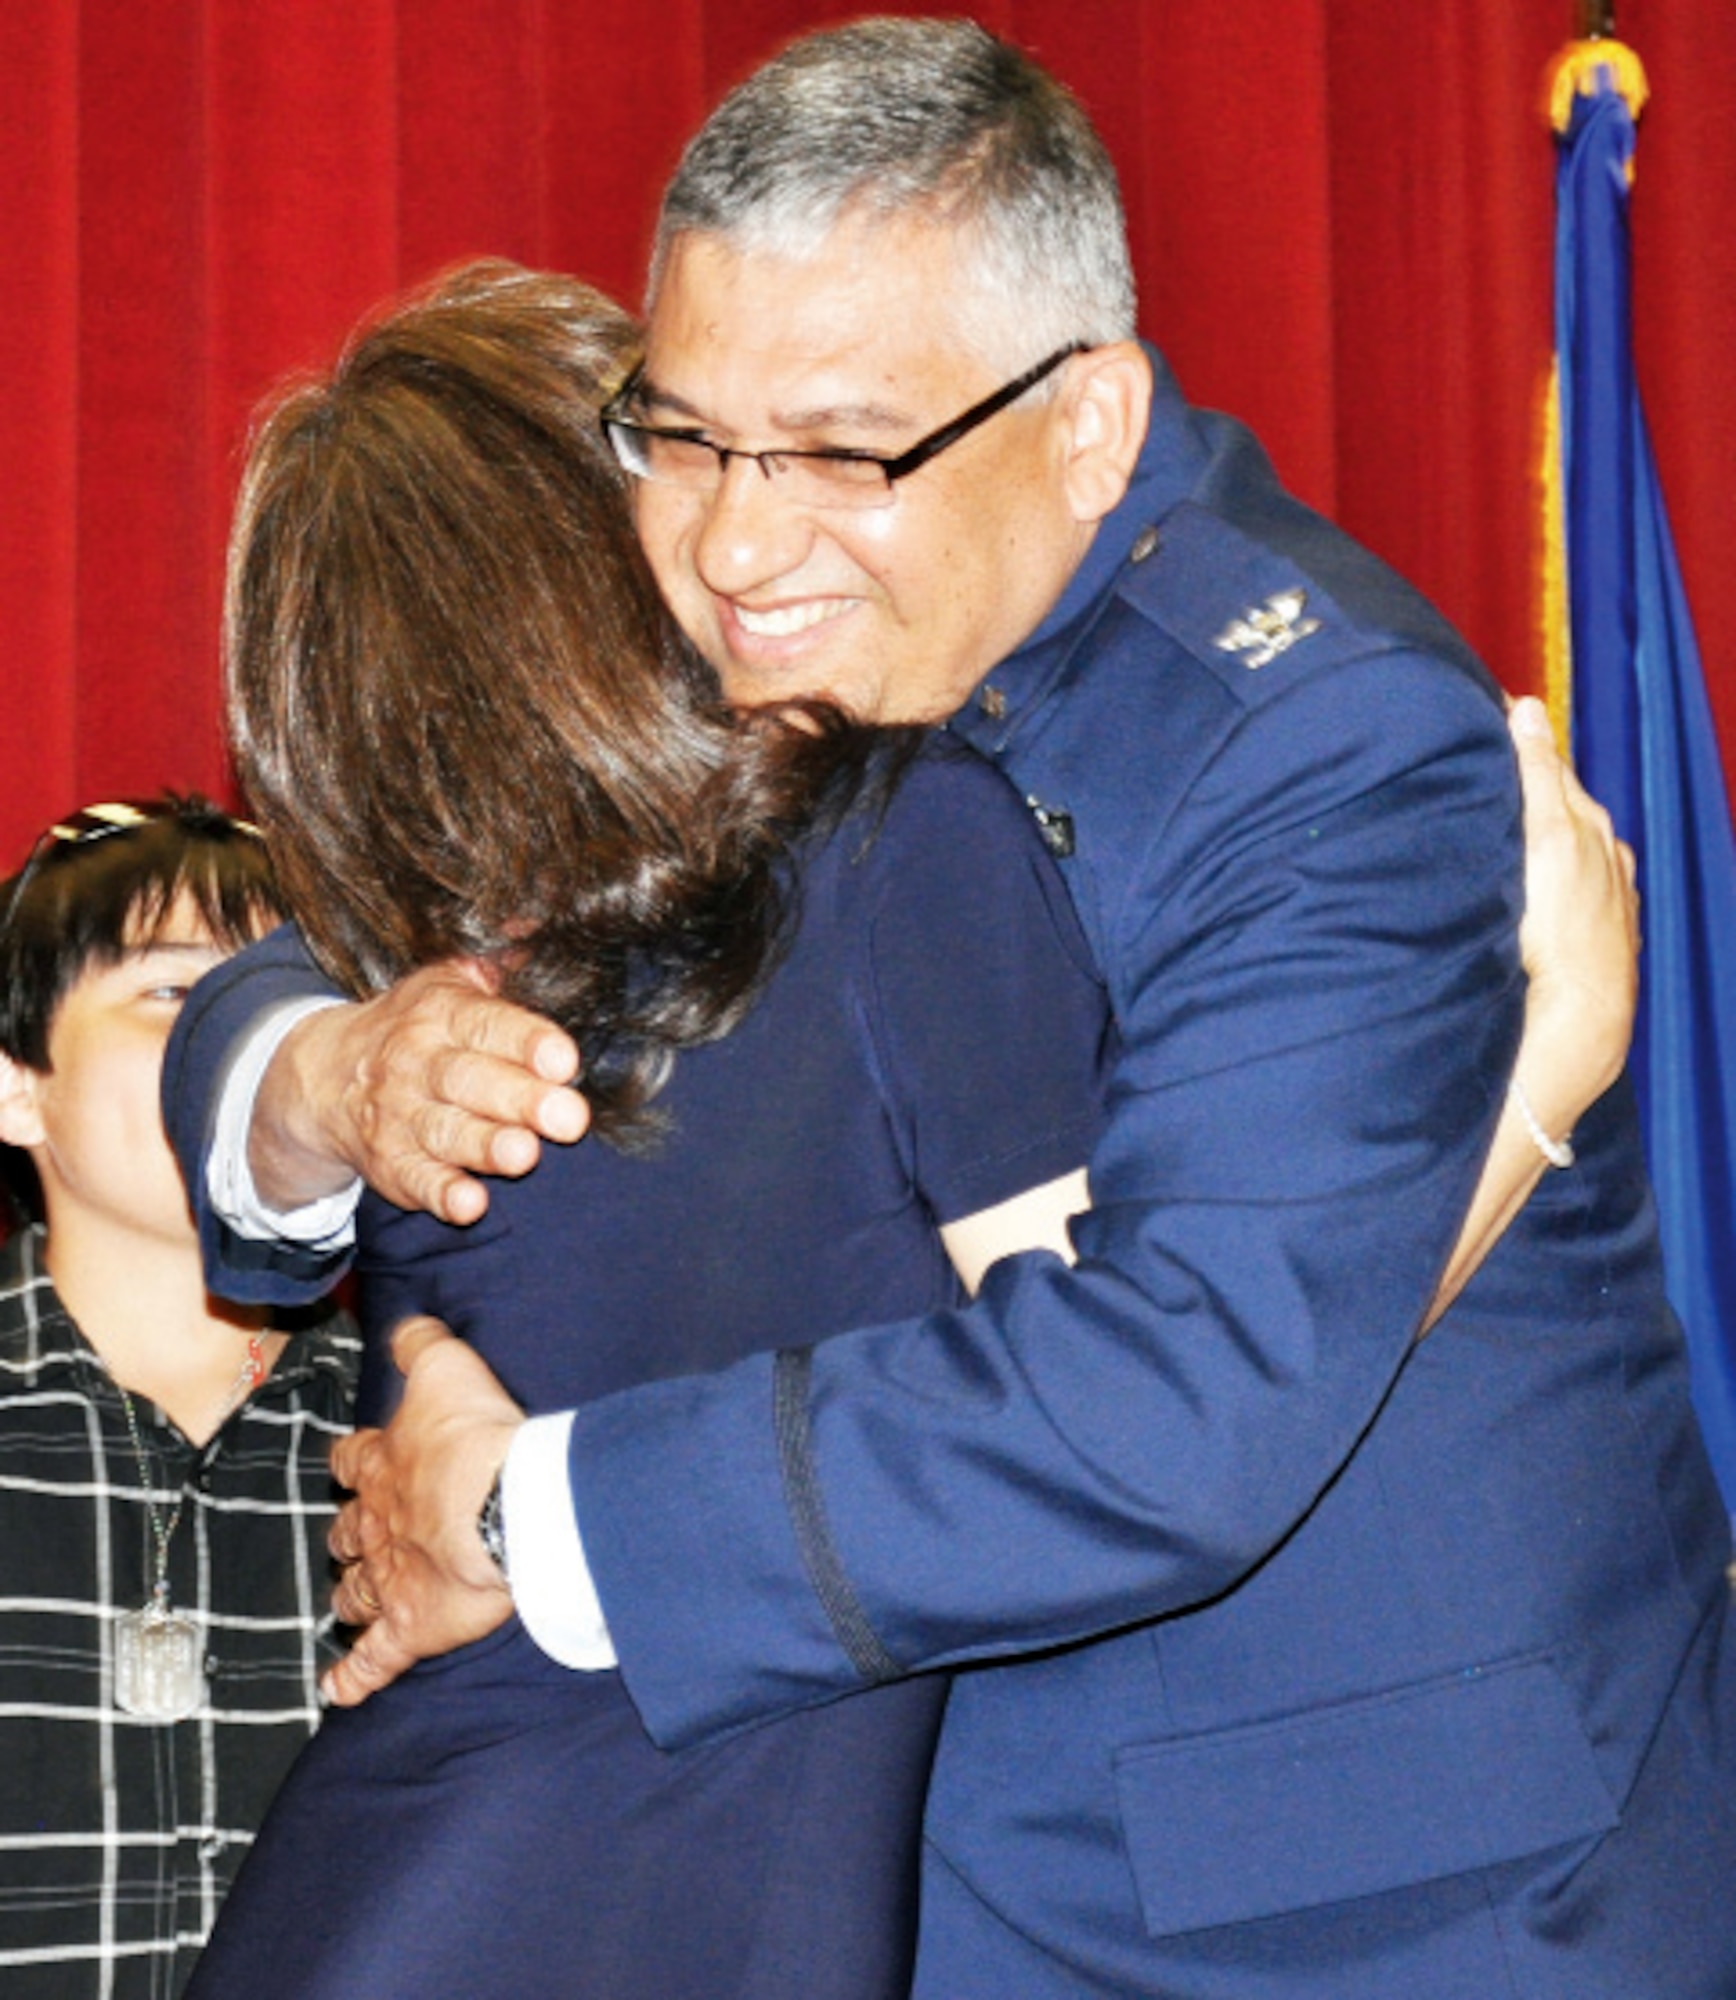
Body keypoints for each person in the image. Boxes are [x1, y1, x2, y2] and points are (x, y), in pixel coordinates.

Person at [167, 18, 1735, 1999]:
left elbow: (1184, 1392)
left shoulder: (1310, 744)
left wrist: (522, 1502)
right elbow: (386, 846)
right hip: (858, 1875)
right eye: (687, 433)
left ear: (1084, 423)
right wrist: (309, 1070)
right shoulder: (784, 623)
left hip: (1350, 1910)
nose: (735, 539)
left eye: (834, 449)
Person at [179, 260, 1113, 2000]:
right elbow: (1117, 1421)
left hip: (411, 1892)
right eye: (674, 448)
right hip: (665, 1905)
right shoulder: (902, 840)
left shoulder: (427, 1031)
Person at [0, 796, 356, 2000]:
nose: (236, 1049)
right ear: (16, 1088)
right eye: (172, 995)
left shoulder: (417, 1426)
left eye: (284, 998)